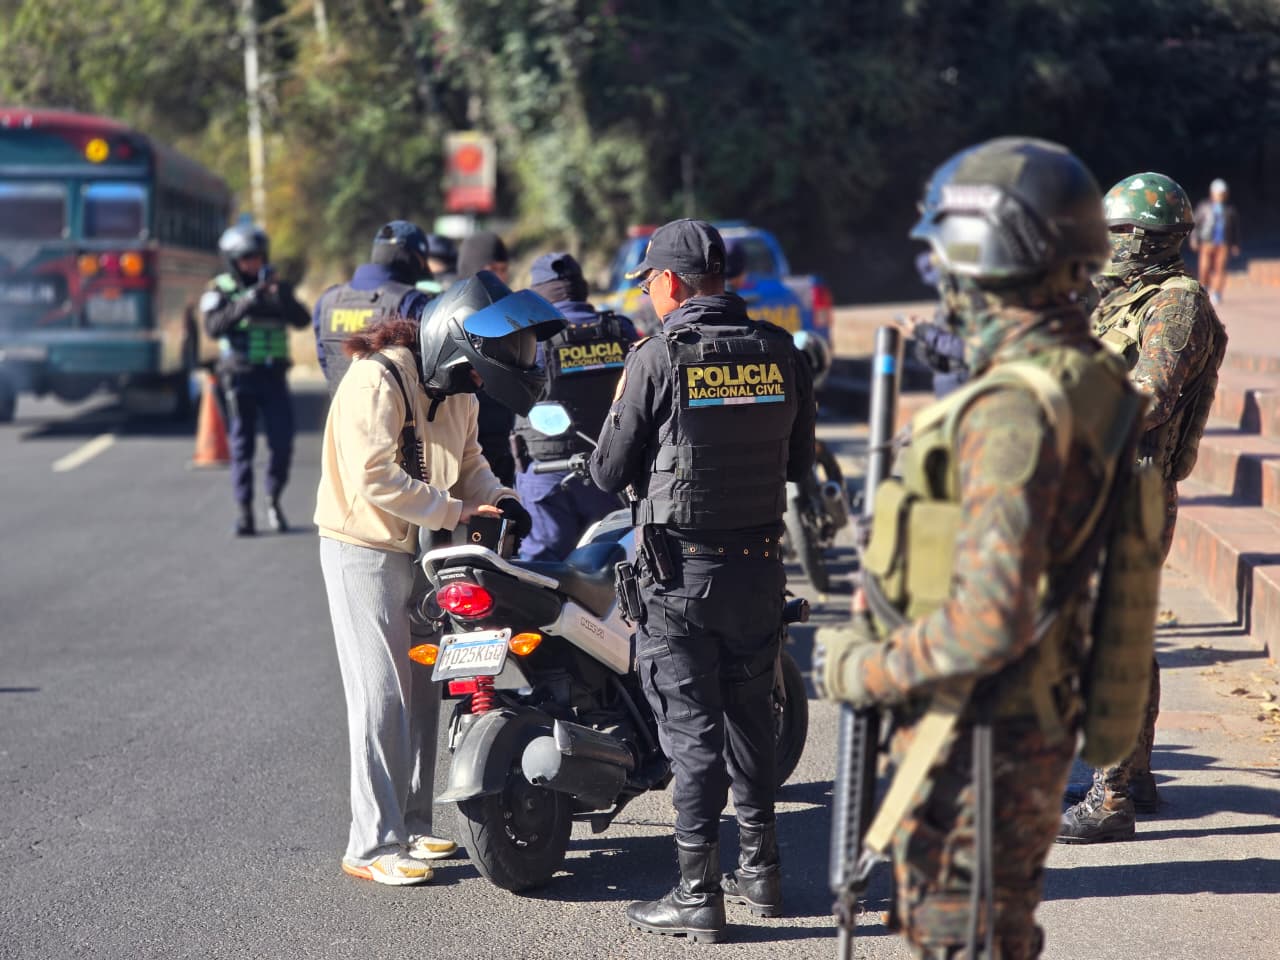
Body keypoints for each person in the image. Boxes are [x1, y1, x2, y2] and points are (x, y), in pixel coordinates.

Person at [816, 137, 1143, 959]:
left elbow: (989, 621)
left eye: (950, 256)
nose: (943, 281)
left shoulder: (1013, 411)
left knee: (965, 940)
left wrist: (860, 666)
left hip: (982, 742)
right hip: (1018, 725)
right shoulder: (1082, 371)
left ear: (990, 254)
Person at [590, 219, 816, 943]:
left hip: (678, 578)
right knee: (753, 720)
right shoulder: (782, 353)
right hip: (758, 570)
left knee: (691, 737)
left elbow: (605, 472)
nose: (650, 295)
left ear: (673, 284)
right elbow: (797, 464)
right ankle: (764, 873)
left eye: (651, 282)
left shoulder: (658, 358)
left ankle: (697, 894)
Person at [315, 272, 559, 886]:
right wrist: (454, 512)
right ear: (456, 341)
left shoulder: (459, 391)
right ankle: (370, 845)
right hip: (363, 549)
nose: (484, 376)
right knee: (381, 695)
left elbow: (470, 463)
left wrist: (500, 497)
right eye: (483, 363)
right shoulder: (379, 378)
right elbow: (374, 476)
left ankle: (415, 825)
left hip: (424, 548)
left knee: (426, 688)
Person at [1059, 172, 1227, 844]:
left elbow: (1147, 399)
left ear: (1150, 239)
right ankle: (1134, 774)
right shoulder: (1117, 301)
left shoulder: (1177, 304)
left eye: (1118, 234)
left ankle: (1110, 798)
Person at [511, 252, 638, 560]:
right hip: (609, 477)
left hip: (548, 480)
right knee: (614, 570)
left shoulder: (529, 341)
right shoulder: (621, 331)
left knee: (541, 577)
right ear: (581, 289)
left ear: (537, 296)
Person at [201, 223, 311, 536]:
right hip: (239, 378)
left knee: (282, 443)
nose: (255, 263)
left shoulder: (278, 288)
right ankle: (245, 512)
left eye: (259, 257)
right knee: (242, 448)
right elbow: (213, 326)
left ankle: (273, 499)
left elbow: (302, 320)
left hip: (273, 377)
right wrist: (248, 299)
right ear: (233, 260)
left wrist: (281, 297)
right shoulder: (220, 290)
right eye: (248, 258)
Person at [312, 220, 435, 394]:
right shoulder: (411, 301)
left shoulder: (326, 301)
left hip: (341, 416)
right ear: (415, 258)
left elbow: (327, 363)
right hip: (392, 417)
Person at [456, 231, 518, 484]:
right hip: (460, 435)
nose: (500, 277)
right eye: (493, 269)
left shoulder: (512, 311)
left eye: (504, 269)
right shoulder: (447, 314)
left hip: (502, 433)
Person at [1189, 178, 1241, 306]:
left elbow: (1235, 228)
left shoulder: (1230, 209)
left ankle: (1217, 293)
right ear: (1212, 193)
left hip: (1223, 243)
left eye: (1223, 193)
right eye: (1218, 193)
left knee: (1220, 269)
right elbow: (1196, 224)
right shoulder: (1204, 206)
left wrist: (1235, 243)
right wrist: (1194, 239)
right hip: (1207, 242)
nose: (1221, 196)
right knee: (1204, 268)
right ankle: (1205, 289)